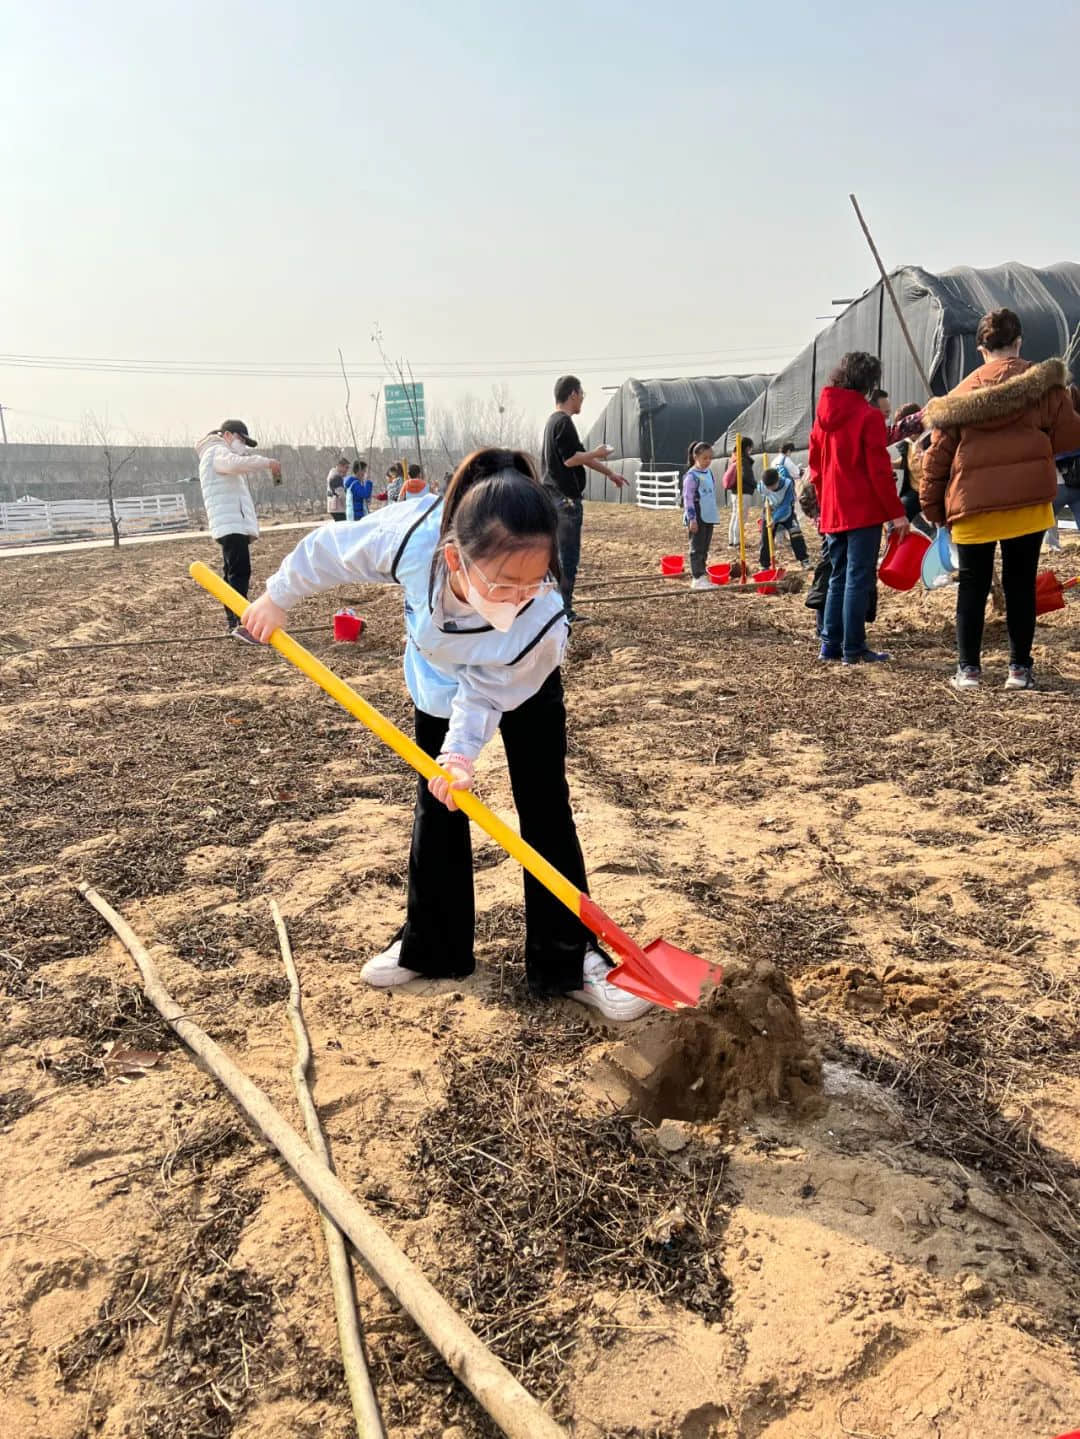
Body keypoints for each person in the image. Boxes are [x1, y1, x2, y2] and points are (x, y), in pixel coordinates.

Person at [240, 446, 651, 1022]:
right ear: (456, 560)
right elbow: (329, 551)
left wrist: (463, 750)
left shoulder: (541, 618)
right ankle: (431, 947)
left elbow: (486, 691)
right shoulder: (413, 538)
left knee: (545, 807)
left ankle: (570, 957)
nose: (518, 598)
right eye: (505, 584)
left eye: (533, 583)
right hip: (436, 680)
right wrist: (276, 597)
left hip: (519, 683)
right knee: (438, 807)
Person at [920, 307, 1080, 691]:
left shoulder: (958, 397)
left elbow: (937, 458)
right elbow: (1070, 438)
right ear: (1019, 342)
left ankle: (969, 671)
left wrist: (931, 506)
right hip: (1027, 502)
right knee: (1020, 585)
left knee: (971, 587)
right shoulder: (1046, 385)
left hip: (973, 505)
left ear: (981, 349)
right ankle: (1019, 670)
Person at [809, 352, 909, 664]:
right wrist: (896, 512)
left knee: (838, 576)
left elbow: (814, 466)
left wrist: (823, 503)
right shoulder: (868, 417)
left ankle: (830, 644)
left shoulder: (823, 416)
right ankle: (854, 647)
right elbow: (878, 471)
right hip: (862, 509)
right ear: (868, 382)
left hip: (833, 508)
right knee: (858, 577)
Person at [540, 375, 627, 619]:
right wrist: (598, 451)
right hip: (565, 499)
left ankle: (554, 608)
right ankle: (563, 611)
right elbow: (571, 460)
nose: (582, 401)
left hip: (552, 497)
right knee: (567, 557)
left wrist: (609, 472)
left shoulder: (552, 422)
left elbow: (578, 456)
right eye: (582, 396)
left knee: (556, 556)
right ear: (573, 394)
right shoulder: (564, 423)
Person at [195, 419, 282, 641]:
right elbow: (234, 464)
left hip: (229, 522)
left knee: (233, 573)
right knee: (239, 573)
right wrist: (267, 462)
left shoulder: (214, 453)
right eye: (240, 439)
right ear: (227, 435)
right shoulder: (217, 451)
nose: (242, 445)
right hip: (231, 523)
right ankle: (242, 622)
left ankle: (235, 621)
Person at [682, 441, 719, 588]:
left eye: (710, 458)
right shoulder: (691, 476)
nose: (708, 461)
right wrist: (692, 519)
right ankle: (697, 577)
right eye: (705, 458)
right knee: (697, 546)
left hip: (708, 513)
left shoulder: (708, 472)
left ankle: (702, 575)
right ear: (695, 456)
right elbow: (687, 498)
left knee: (705, 545)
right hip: (697, 512)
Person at [759, 467, 810, 568]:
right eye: (767, 487)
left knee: (796, 535)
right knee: (766, 539)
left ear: (778, 480)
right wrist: (766, 504)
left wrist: (775, 519)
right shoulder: (762, 486)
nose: (770, 489)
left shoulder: (788, 484)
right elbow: (763, 494)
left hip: (787, 513)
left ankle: (804, 560)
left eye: (772, 486)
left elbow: (786, 505)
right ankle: (764, 565)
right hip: (770, 513)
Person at [723, 437, 757, 551]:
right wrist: (756, 485)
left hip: (735, 492)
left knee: (735, 515)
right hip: (743, 492)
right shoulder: (743, 460)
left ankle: (732, 541)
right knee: (741, 516)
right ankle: (737, 542)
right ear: (747, 448)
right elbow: (746, 476)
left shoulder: (735, 458)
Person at [326, 456, 349, 521]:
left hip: (334, 507)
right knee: (343, 527)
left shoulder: (332, 475)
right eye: (346, 467)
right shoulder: (336, 477)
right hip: (338, 508)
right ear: (340, 466)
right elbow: (341, 495)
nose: (347, 470)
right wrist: (347, 505)